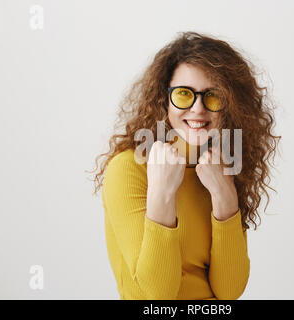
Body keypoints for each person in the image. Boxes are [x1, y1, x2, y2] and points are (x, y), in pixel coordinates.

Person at [90, 31, 281, 300]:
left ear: (230, 105)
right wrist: (162, 192)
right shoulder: (128, 168)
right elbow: (157, 296)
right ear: (164, 99)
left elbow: (229, 292)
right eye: (184, 94)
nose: (198, 109)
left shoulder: (222, 167)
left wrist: (225, 196)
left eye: (213, 96)